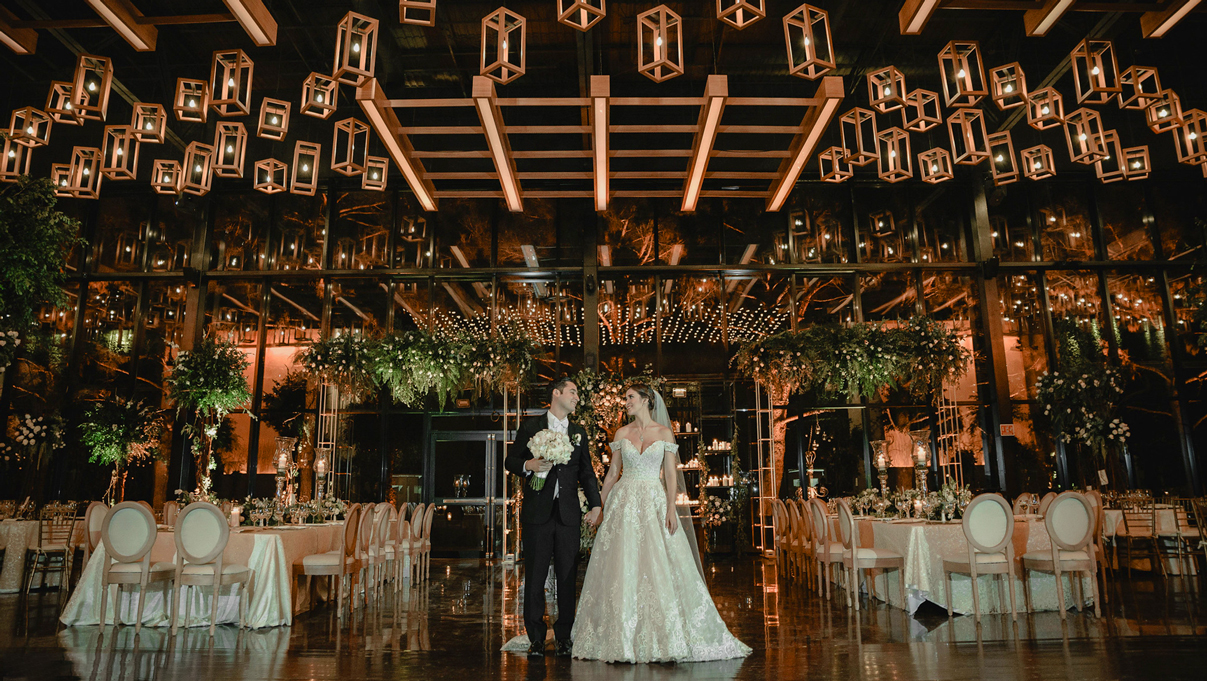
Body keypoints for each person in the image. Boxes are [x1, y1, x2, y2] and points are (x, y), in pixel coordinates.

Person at [570, 383, 751, 663]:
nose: (626, 402)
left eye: (630, 397)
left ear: (646, 400)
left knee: (657, 562)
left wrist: (670, 508)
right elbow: (613, 473)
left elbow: (670, 474)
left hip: (653, 501)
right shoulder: (622, 433)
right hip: (624, 503)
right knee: (623, 563)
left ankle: (663, 634)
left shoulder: (664, 433)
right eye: (626, 398)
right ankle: (621, 636)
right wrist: (598, 506)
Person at [503, 377, 602, 659]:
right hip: (538, 513)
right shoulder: (531, 426)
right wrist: (529, 465)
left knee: (567, 577)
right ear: (556, 393)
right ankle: (536, 637)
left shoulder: (578, 432)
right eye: (572, 392)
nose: (577, 397)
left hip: (568, 514)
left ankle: (564, 637)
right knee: (535, 576)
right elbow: (511, 461)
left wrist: (596, 505)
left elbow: (586, 472)